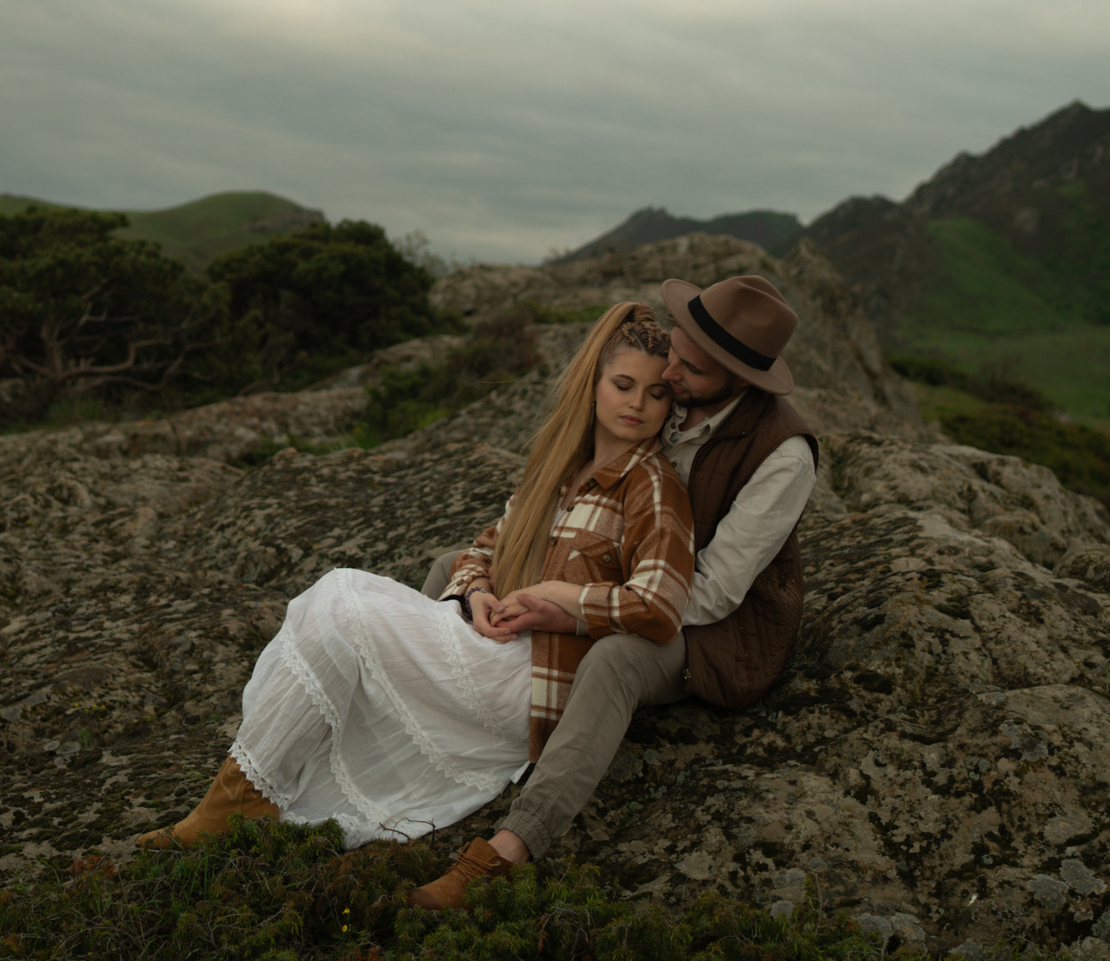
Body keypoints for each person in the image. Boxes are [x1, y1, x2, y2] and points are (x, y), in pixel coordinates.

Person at [139, 303, 694, 901]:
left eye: (656, 393)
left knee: (343, 599)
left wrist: (566, 598)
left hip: (533, 681)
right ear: (594, 385)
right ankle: (239, 800)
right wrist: (477, 592)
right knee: (335, 604)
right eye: (623, 385)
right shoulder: (557, 469)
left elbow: (660, 605)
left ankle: (236, 803)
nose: (637, 404)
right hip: (492, 648)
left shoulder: (653, 486)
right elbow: (483, 548)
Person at [415, 272, 818, 900]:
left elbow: (710, 593)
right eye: (675, 351)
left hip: (711, 629)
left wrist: (577, 606)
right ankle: (416, 708)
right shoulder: (665, 389)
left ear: (741, 381)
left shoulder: (783, 456)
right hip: (624, 574)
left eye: (691, 371)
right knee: (453, 568)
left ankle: (511, 845)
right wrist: (536, 576)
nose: (671, 376)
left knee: (616, 658)